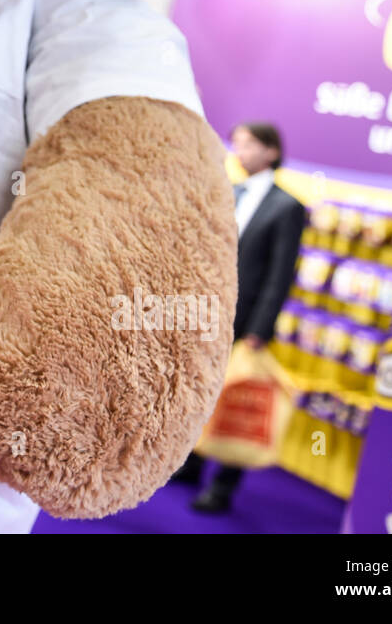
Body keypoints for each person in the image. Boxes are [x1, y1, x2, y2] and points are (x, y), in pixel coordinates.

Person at [172, 121, 307, 513]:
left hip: (246, 323)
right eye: (236, 143)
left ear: (271, 152)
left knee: (238, 401)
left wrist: (260, 330)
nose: (238, 151)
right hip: (209, 317)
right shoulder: (229, 192)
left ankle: (224, 486)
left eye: (247, 144)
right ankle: (193, 462)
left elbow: (281, 274)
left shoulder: (287, 207)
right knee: (202, 392)